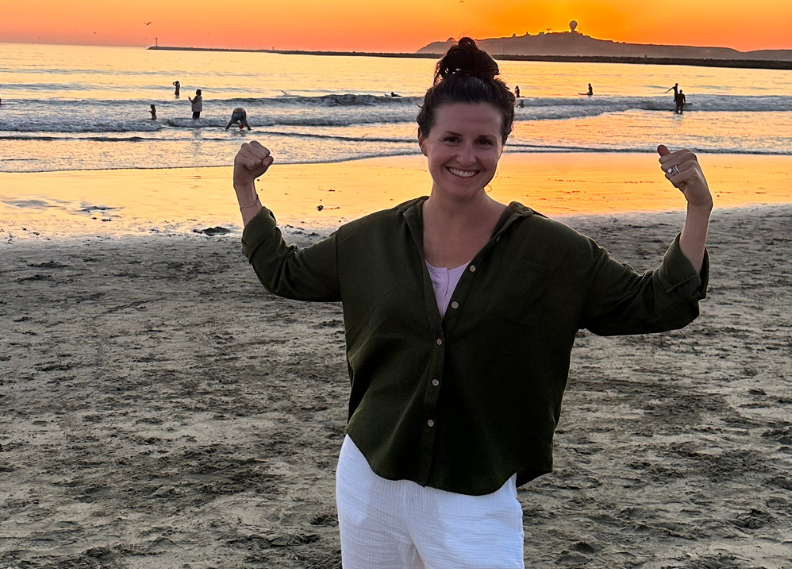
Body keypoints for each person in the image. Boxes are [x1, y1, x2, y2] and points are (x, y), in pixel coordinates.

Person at [231, 37, 712, 567]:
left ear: (505, 143)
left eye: (484, 141)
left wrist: (698, 208)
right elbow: (285, 273)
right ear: (422, 141)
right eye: (451, 139)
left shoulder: (550, 252)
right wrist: (245, 190)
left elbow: (657, 303)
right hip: (369, 478)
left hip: (475, 492)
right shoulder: (369, 240)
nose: (466, 156)